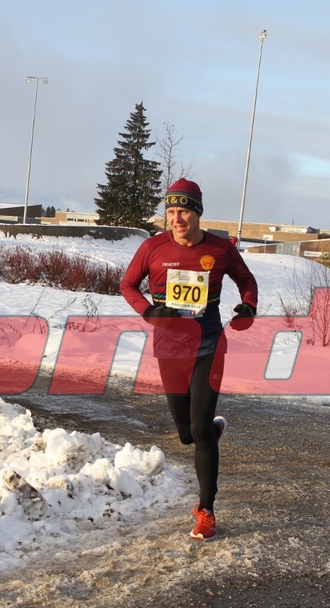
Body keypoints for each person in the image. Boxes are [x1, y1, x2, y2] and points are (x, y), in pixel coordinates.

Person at [120, 178, 258, 540]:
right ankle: (212, 430)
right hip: (169, 348)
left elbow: (247, 281)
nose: (176, 218)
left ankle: (206, 510)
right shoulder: (152, 247)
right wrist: (150, 313)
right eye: (170, 211)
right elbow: (127, 285)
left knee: (198, 429)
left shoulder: (220, 248)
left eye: (182, 211)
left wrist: (248, 306)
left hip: (209, 346)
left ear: (197, 213)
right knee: (186, 434)